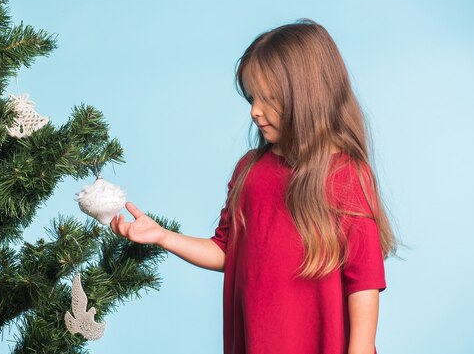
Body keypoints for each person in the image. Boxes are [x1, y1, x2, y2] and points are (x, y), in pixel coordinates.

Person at [109, 19, 398, 354]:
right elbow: (226, 251)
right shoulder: (250, 170)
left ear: (307, 96)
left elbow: (363, 285)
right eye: (251, 98)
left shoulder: (345, 175)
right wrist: (163, 237)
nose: (255, 111)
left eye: (269, 98)